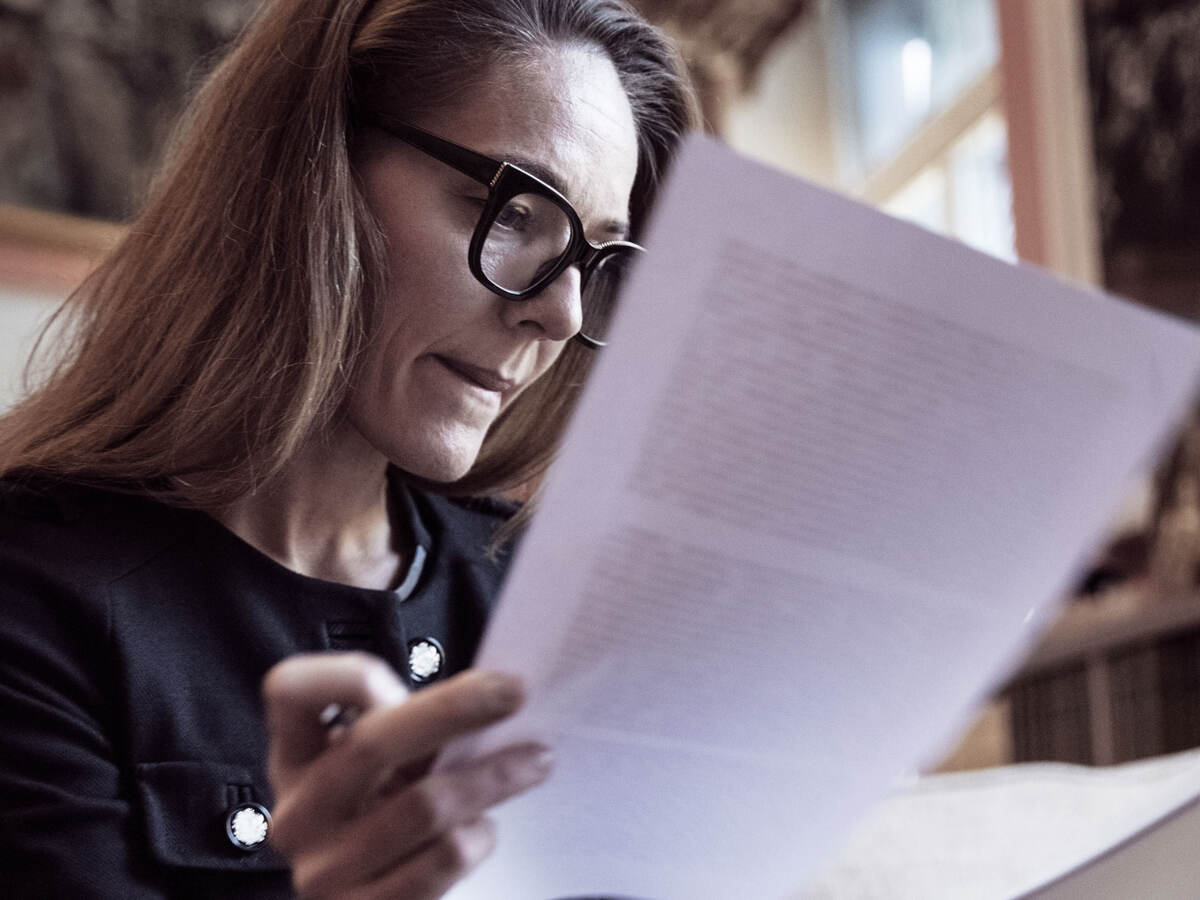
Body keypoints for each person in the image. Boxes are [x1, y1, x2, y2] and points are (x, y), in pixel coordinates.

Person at [0, 0, 695, 895]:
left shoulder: (539, 589)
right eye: (517, 213)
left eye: (595, 262)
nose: (558, 314)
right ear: (310, 170)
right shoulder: (32, 599)